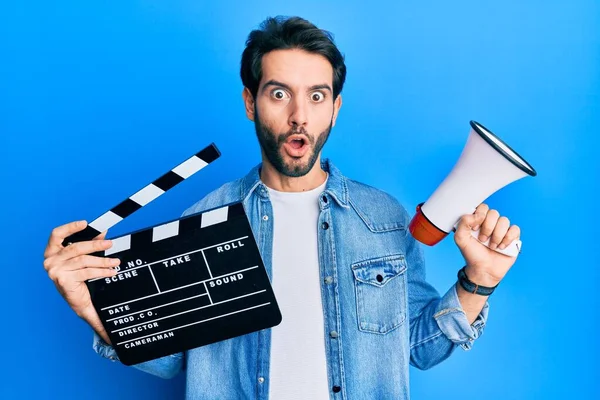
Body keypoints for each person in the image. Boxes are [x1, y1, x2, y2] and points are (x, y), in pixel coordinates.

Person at [43, 16, 522, 400]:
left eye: (316, 96)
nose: (299, 115)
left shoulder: (385, 219)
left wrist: (478, 281)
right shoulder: (202, 219)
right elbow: (171, 360)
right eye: (279, 93)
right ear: (251, 103)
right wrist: (97, 312)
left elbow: (417, 350)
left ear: (335, 107)